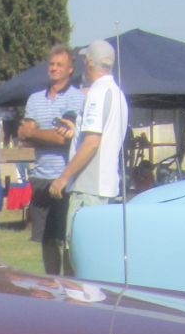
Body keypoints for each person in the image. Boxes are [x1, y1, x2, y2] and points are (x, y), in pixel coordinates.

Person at [51, 39, 130, 252]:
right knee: (99, 252)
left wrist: (63, 178)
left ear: (89, 63)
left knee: (80, 252)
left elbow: (92, 142)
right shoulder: (118, 94)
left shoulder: (96, 93)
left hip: (88, 188)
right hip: (106, 185)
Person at [17, 46, 86, 274]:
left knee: (65, 238)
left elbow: (62, 138)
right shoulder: (35, 99)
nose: (54, 68)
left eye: (59, 65)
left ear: (70, 69)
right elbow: (23, 136)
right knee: (45, 238)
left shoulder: (76, 98)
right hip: (40, 177)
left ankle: (69, 285)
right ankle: (51, 282)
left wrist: (36, 134)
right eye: (52, 64)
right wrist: (42, 135)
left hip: (65, 178)